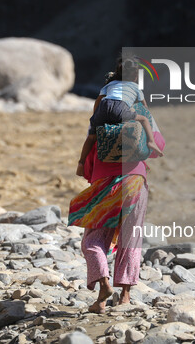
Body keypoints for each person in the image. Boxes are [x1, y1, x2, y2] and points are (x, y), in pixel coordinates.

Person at [68, 55, 165, 313]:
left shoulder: (99, 122)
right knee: (130, 238)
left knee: (93, 241)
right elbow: (158, 144)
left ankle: (102, 288)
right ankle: (125, 297)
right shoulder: (139, 113)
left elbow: (87, 161)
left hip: (105, 185)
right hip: (135, 182)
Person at [76, 56, 163, 177]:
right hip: (120, 108)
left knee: (91, 138)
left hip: (103, 107)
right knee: (144, 120)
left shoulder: (110, 84)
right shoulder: (135, 87)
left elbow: (98, 102)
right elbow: (145, 110)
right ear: (135, 76)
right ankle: (152, 143)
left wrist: (95, 119)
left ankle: (81, 163)